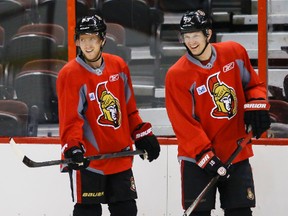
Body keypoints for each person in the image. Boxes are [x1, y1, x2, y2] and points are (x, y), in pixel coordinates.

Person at [165, 10, 271, 216]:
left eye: (195, 35)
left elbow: (253, 85)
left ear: (208, 33)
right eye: (186, 36)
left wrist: (257, 105)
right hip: (197, 159)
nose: (191, 41)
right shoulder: (177, 75)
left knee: (241, 212)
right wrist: (206, 156)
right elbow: (183, 123)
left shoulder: (234, 52)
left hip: (235, 150)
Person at [56, 14, 160, 216]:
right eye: (82, 39)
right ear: (76, 40)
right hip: (88, 161)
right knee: (88, 212)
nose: (87, 45)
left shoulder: (118, 66)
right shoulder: (70, 74)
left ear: (103, 40)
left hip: (120, 156)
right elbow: (70, 119)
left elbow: (129, 109)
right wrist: (73, 148)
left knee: (127, 210)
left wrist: (141, 134)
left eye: (92, 39)